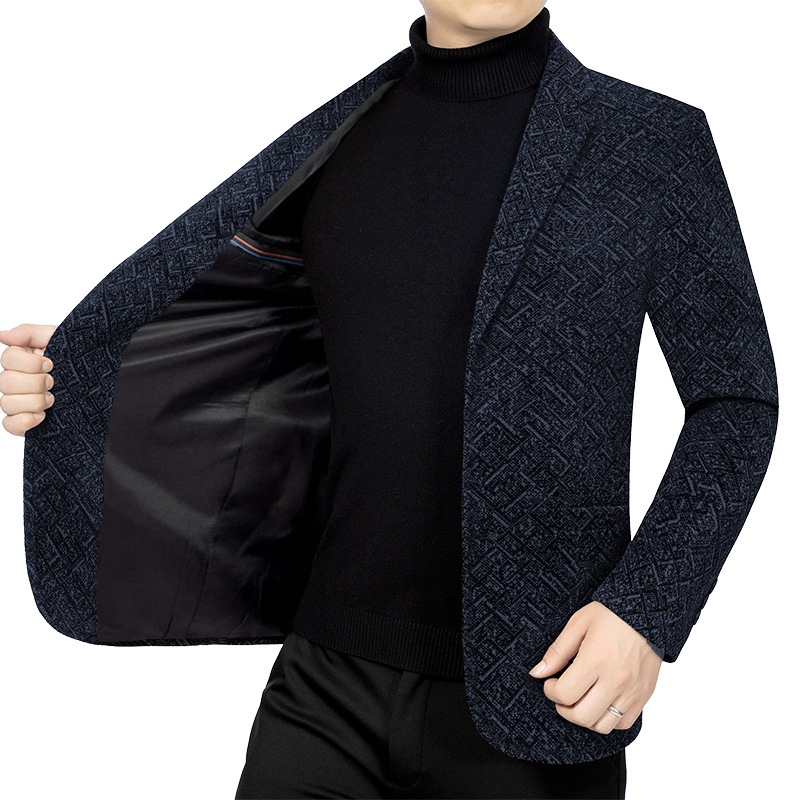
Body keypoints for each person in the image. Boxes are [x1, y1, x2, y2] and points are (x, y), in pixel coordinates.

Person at [0, 1, 779, 798]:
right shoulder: (341, 141)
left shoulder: (648, 143)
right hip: (323, 686)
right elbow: (280, 355)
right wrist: (89, 368)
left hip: (540, 695)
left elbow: (736, 401)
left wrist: (646, 610)